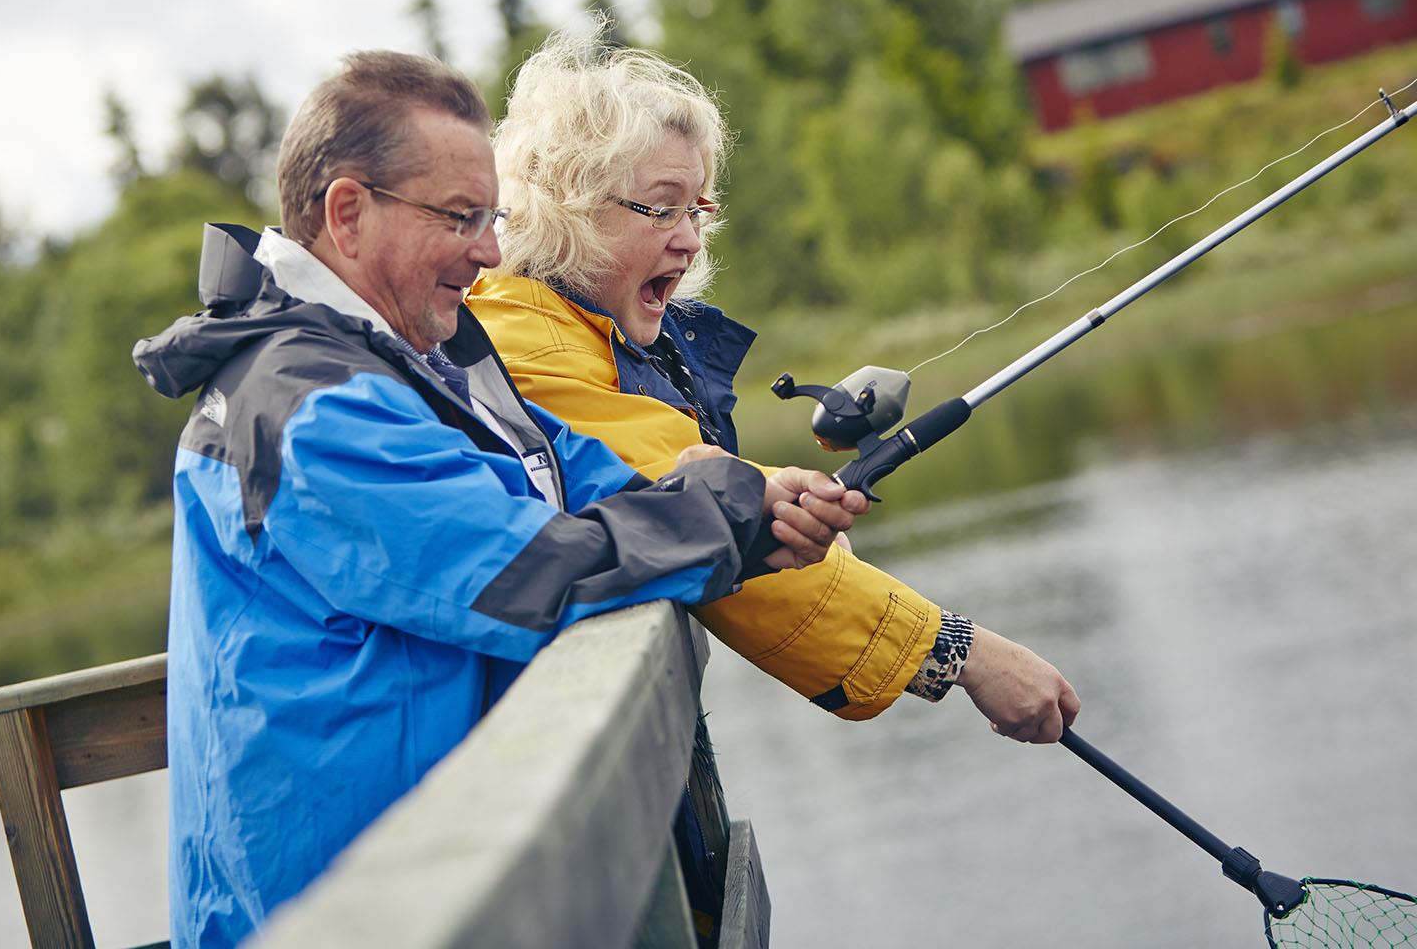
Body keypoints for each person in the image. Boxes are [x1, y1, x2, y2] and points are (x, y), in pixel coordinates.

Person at [132, 50, 866, 948]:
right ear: (349, 213)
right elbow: (527, 570)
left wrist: (746, 498)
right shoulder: (304, 404)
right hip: (337, 914)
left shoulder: (421, 361)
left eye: (494, 217)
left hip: (433, 888)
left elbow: (574, 476)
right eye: (460, 217)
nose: (489, 250)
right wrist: (728, 513)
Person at [468, 28, 1081, 739]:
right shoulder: (529, 352)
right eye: (662, 207)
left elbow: (686, 485)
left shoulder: (573, 334)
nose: (691, 239)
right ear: (563, 207)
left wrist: (779, 515)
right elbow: (677, 511)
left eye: (698, 210)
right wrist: (963, 654)